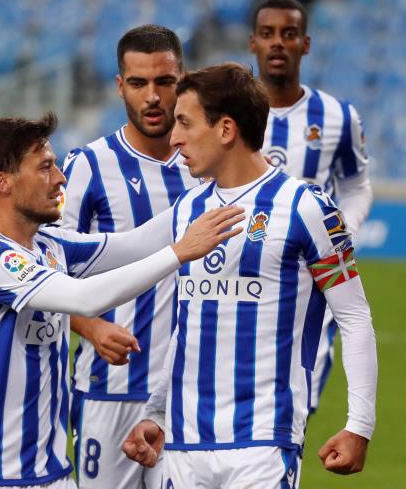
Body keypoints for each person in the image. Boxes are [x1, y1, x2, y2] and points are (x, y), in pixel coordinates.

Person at [0, 113, 244, 489]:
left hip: (51, 473)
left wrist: (212, 189)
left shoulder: (50, 246)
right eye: (46, 167)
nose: (61, 178)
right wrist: (180, 252)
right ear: (3, 183)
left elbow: (134, 245)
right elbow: (83, 298)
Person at [122, 63, 377, 488]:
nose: (174, 138)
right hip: (184, 444)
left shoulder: (307, 207)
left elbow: (353, 317)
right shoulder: (188, 208)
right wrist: (157, 412)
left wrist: (360, 425)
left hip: (262, 442)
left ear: (225, 130)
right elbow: (191, 325)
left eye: (184, 122)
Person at [61, 25, 199, 489]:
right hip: (109, 389)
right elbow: (47, 272)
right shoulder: (88, 166)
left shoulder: (208, 168)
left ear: (183, 79)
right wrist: (92, 326)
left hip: (189, 394)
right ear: (120, 86)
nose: (154, 96)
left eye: (164, 81)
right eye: (138, 84)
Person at [249, 0, 372, 414]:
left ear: (306, 43)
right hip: (245, 268)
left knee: (294, 409)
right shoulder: (227, 114)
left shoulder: (338, 116)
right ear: (253, 44)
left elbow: (356, 185)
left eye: (289, 34)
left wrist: (344, 231)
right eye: (268, 34)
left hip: (310, 273)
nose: (278, 43)